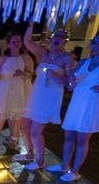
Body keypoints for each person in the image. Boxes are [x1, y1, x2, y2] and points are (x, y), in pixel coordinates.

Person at [46, 28, 99, 182]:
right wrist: (69, 77)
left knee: (82, 139)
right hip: (76, 104)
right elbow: (71, 86)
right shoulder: (83, 62)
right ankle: (64, 165)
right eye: (94, 42)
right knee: (68, 137)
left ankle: (76, 170)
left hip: (92, 105)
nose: (96, 45)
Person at [14, 24, 74, 170]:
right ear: (51, 38)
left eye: (62, 38)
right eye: (56, 36)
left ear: (65, 42)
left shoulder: (67, 58)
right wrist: (30, 24)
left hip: (49, 99)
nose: (58, 39)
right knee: (24, 127)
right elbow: (27, 42)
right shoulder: (43, 53)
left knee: (35, 132)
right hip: (36, 95)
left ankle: (40, 161)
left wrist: (56, 76)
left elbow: (70, 84)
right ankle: (29, 153)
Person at [0, 32, 34, 153]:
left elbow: (30, 74)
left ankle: (13, 141)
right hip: (3, 91)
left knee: (17, 117)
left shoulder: (25, 58)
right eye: (13, 41)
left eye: (18, 41)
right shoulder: (3, 59)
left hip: (17, 91)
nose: (16, 43)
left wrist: (23, 74)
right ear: (9, 44)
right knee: (1, 117)